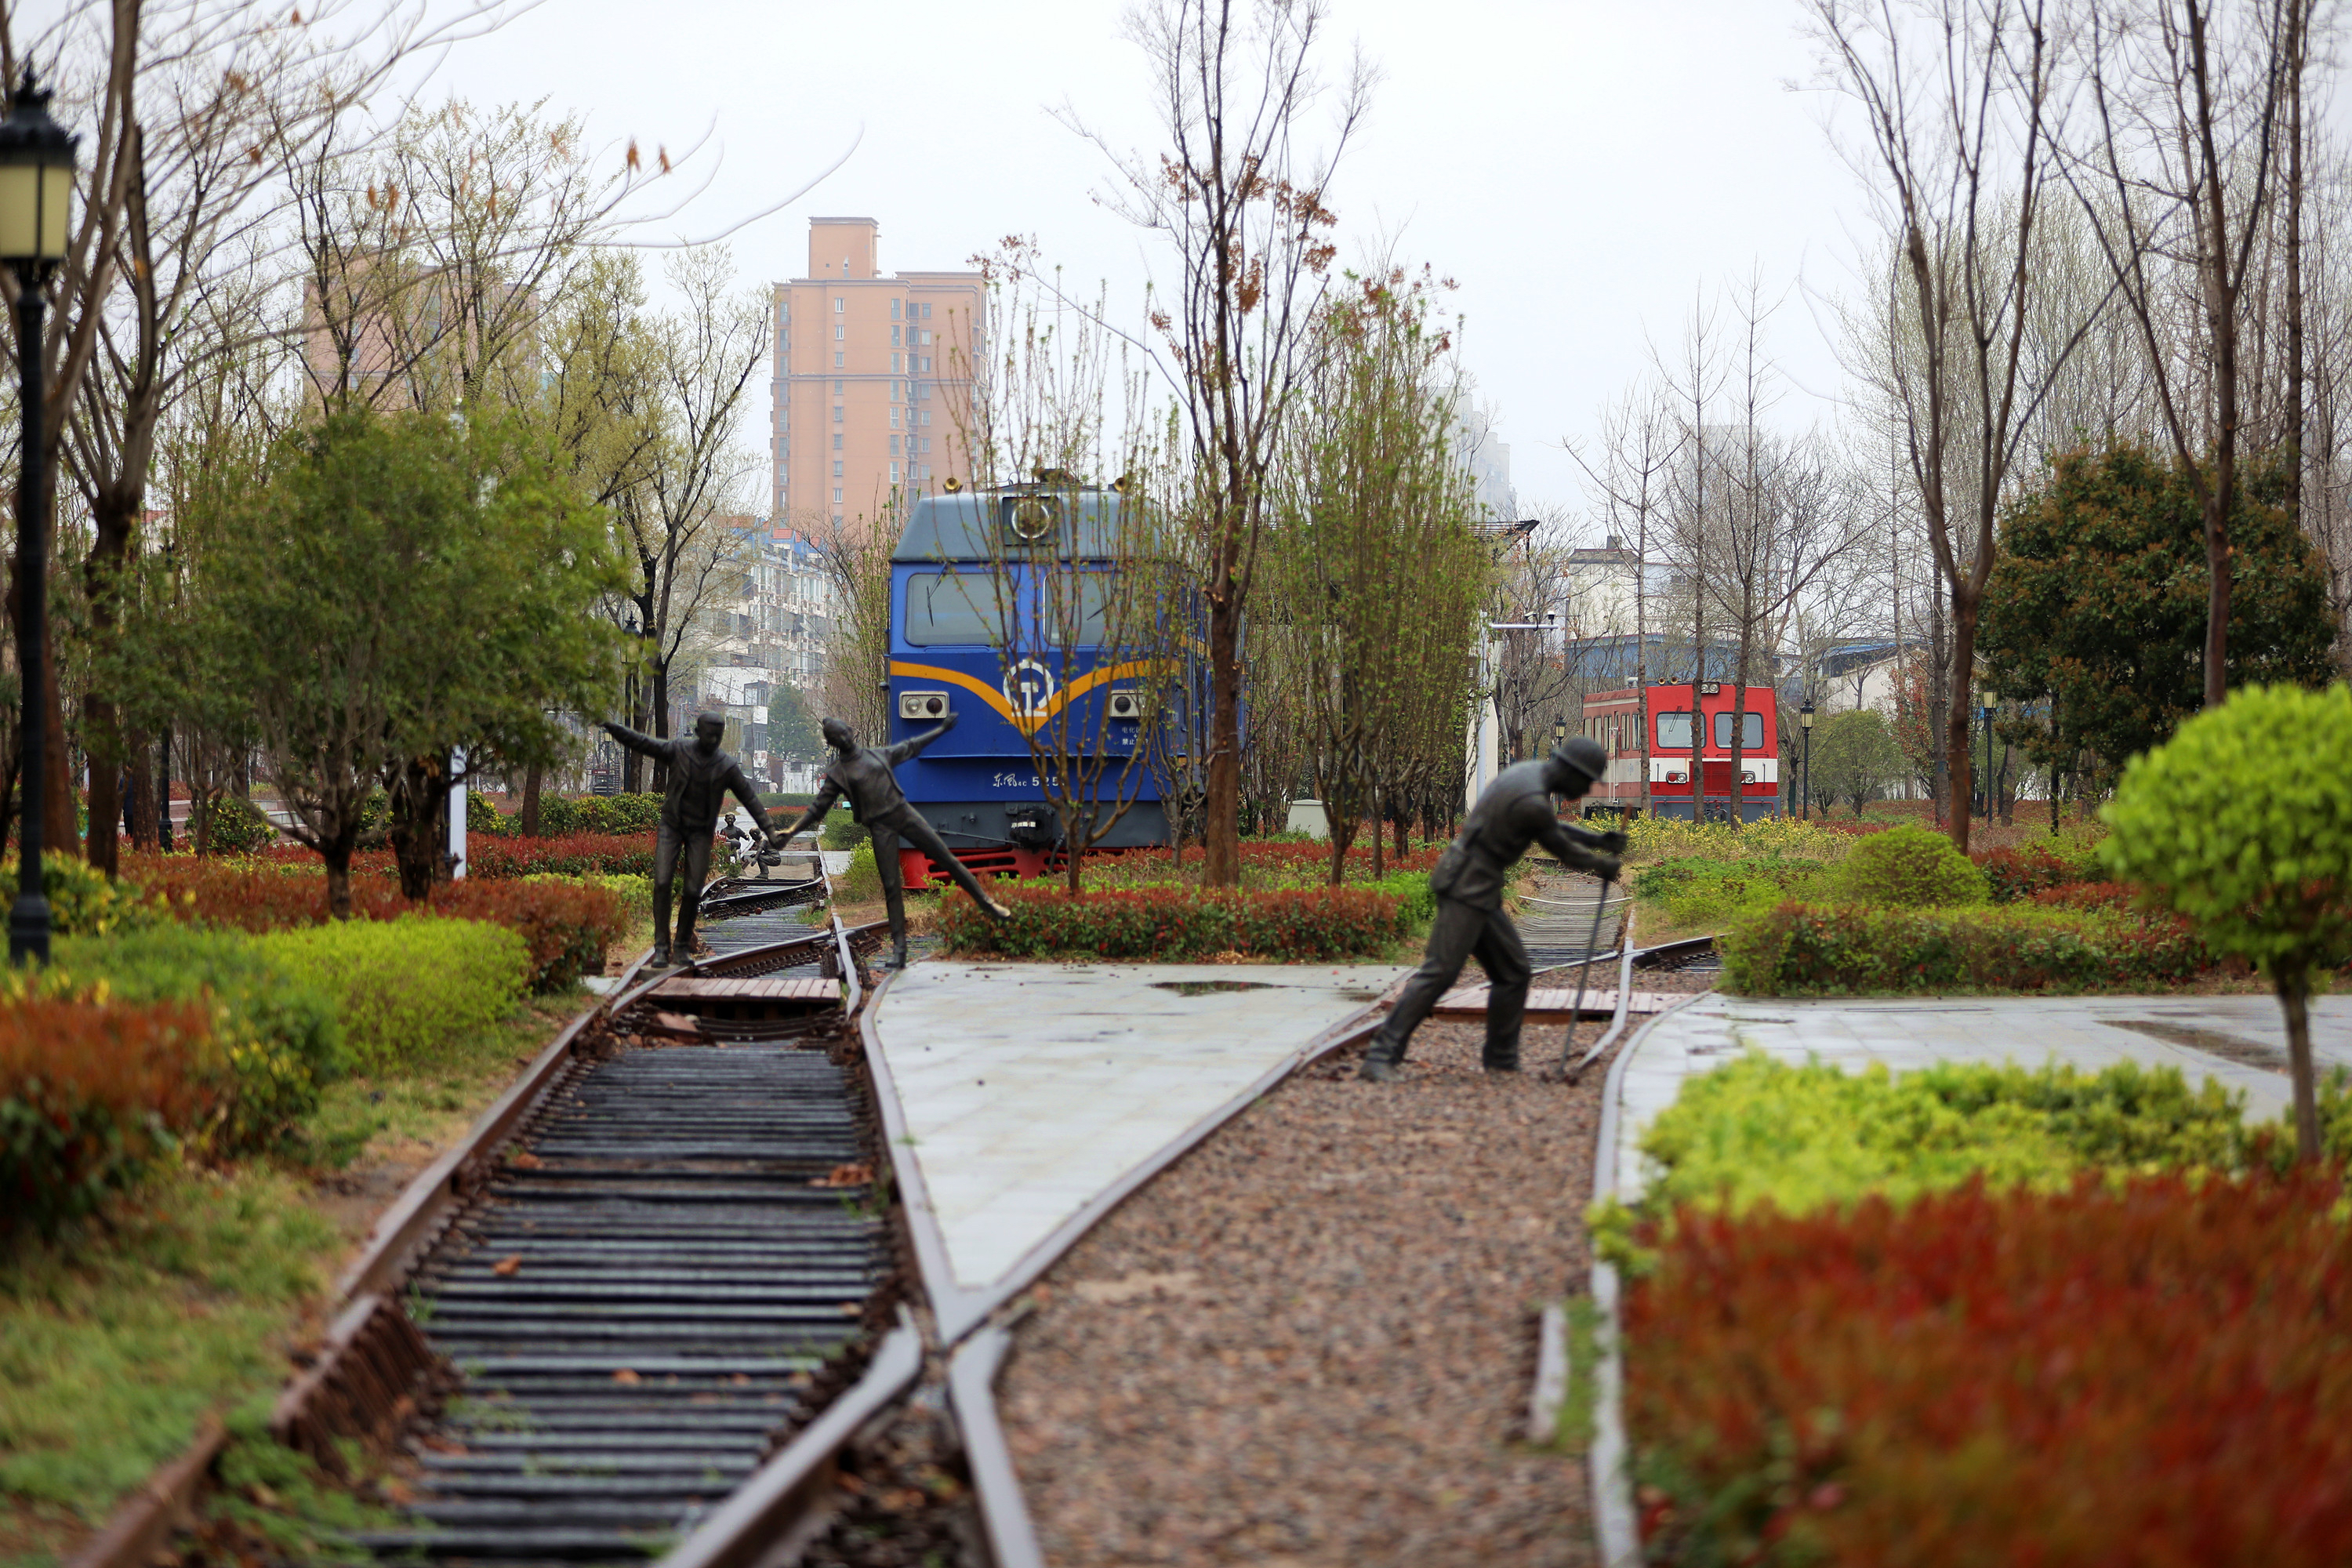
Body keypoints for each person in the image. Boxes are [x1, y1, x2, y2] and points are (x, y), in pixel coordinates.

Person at [1359, 736, 1626, 1082]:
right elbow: (1560, 847)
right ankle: (1380, 1057)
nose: (1588, 788)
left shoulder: (1528, 774)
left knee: (1513, 972)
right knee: (1439, 972)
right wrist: (1600, 863)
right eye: (1588, 780)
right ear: (1571, 772)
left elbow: (1548, 825)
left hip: (1478, 889)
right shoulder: (1532, 799)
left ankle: (1501, 1061)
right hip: (1466, 888)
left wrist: (1595, 839)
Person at [775, 711, 1011, 969]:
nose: (844, 737)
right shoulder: (838, 773)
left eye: (845, 732)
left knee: (947, 859)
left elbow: (912, 747)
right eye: (837, 736)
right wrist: (792, 831)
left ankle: (988, 904)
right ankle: (900, 949)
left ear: (851, 732)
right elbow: (817, 810)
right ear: (833, 743)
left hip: (904, 814)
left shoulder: (877, 754)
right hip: (880, 827)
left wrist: (942, 729)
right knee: (892, 887)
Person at [601, 711, 774, 967]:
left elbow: (750, 798)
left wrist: (770, 830)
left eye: (718, 735)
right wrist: (612, 726)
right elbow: (642, 742)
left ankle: (681, 946)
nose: (714, 739)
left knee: (693, 890)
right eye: (709, 734)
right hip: (672, 826)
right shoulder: (679, 750)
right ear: (698, 731)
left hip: (700, 832)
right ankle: (661, 947)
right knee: (662, 882)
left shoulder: (726, 766)